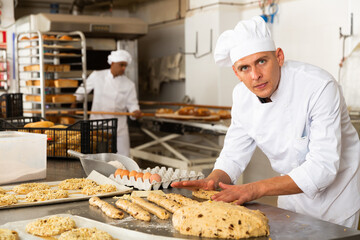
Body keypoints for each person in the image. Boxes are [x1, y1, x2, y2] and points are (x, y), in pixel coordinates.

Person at [171, 16, 360, 228]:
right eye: (244, 68)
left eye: (262, 61)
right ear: (236, 72)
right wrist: (213, 180)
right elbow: (233, 155)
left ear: (279, 56)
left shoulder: (319, 87)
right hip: (290, 196)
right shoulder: (242, 97)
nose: (256, 75)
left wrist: (252, 189)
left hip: (337, 200)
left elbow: (322, 168)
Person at [74, 49, 141, 157]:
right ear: (113, 63)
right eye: (121, 65)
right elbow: (80, 93)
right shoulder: (97, 76)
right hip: (97, 126)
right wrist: (73, 104)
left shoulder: (129, 84)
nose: (124, 68)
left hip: (119, 129)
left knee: (123, 158)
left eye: (125, 66)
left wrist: (135, 112)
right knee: (95, 157)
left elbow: (133, 104)